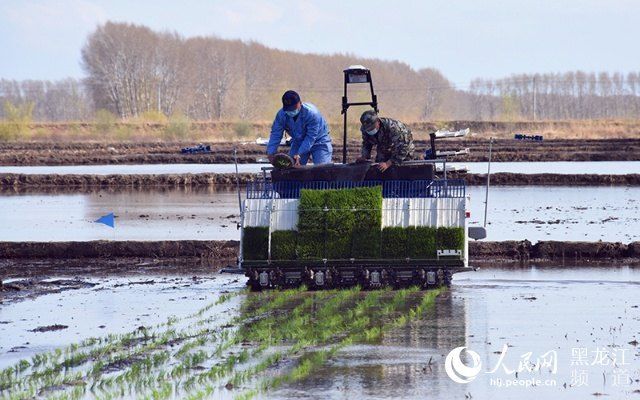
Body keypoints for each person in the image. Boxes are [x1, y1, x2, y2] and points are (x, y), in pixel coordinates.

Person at [266, 90, 333, 167]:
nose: (291, 111)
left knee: (322, 170)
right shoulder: (281, 115)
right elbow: (276, 134)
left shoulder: (312, 114)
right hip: (298, 142)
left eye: (293, 108)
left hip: (319, 142)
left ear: (300, 103)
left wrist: (299, 154)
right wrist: (271, 152)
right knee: (290, 167)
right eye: (288, 109)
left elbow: (310, 137)